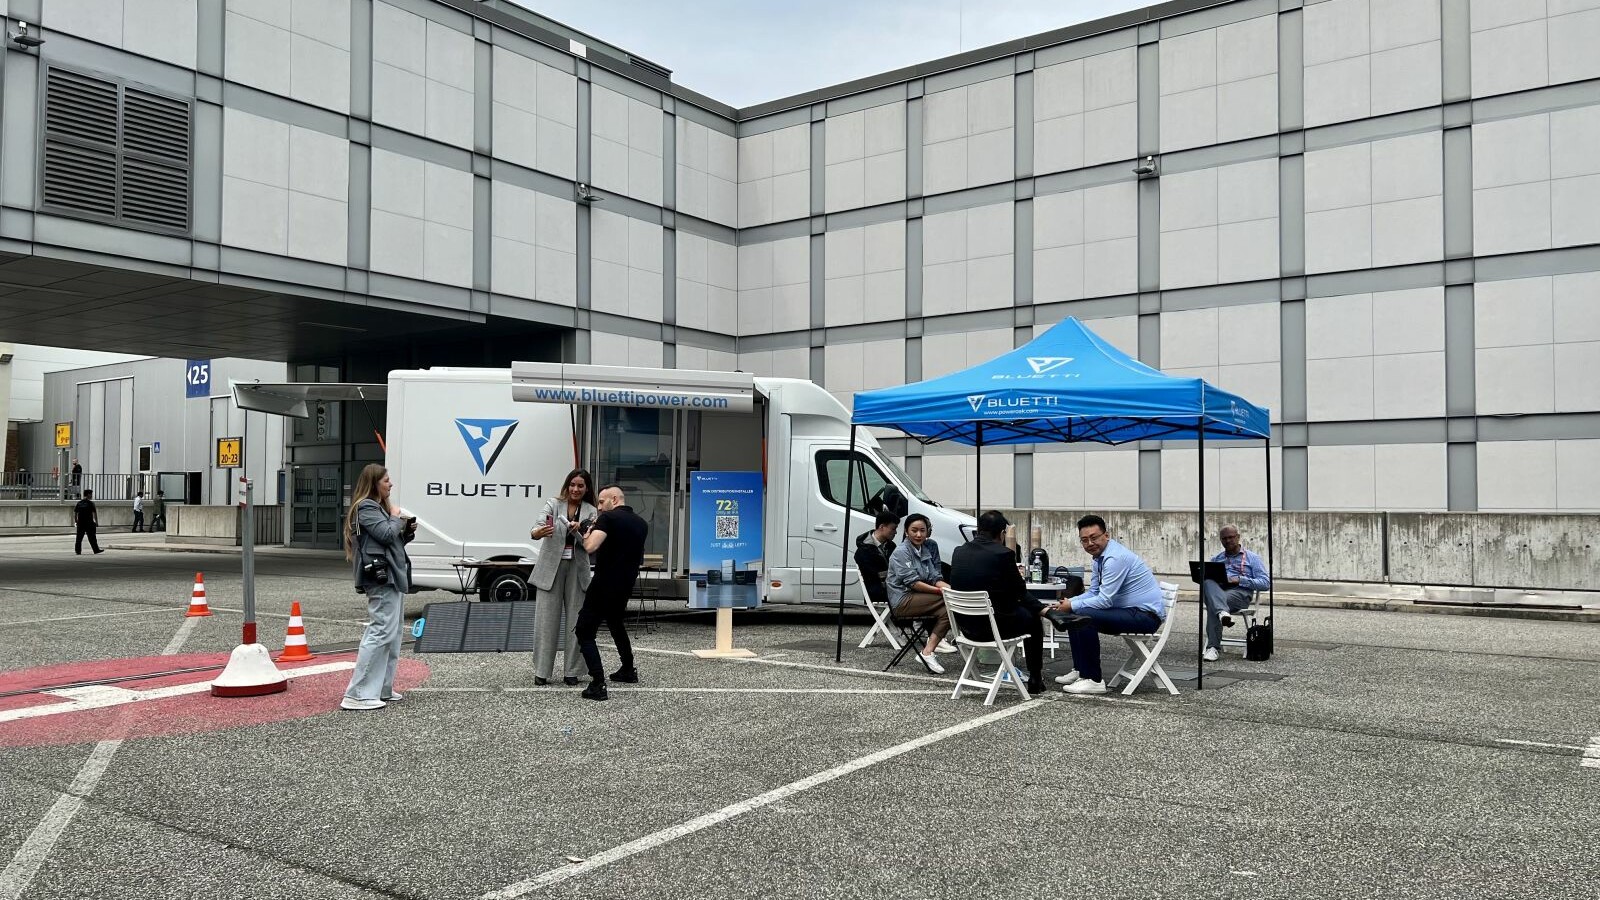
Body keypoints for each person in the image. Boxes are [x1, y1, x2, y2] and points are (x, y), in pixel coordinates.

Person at [1048, 515, 1165, 695]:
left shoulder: (1115, 558)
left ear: (1106, 535)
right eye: (1084, 540)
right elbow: (1094, 592)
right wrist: (1070, 603)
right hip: (1131, 611)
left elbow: (1104, 600)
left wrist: (1073, 605)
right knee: (1075, 612)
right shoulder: (1099, 558)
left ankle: (1093, 679)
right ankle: (1080, 670)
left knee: (1084, 616)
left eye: (1094, 537)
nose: (1090, 543)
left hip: (1146, 617)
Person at [948, 510, 1049, 696]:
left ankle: (1034, 677)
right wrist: (1045, 610)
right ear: (1002, 533)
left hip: (965, 628)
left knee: (1021, 611)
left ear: (979, 530)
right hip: (993, 629)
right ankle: (1035, 677)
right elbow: (1020, 592)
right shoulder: (1003, 554)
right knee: (1033, 619)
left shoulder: (959, 552)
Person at [342, 463, 417, 711]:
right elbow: (385, 535)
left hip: (391, 576)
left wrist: (406, 532)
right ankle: (357, 694)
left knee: (392, 634)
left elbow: (389, 540)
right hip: (381, 578)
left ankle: (381, 688)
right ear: (374, 483)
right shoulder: (366, 507)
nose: (390, 484)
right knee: (381, 631)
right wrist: (395, 518)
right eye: (386, 480)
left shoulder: (376, 508)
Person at [573, 484, 650, 701]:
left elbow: (590, 546)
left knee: (584, 631)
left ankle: (598, 683)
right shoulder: (641, 523)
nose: (598, 507)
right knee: (616, 624)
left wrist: (585, 532)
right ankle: (628, 669)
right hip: (625, 584)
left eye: (601, 501)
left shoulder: (607, 518)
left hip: (603, 584)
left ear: (614, 499)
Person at [529, 468, 599, 687]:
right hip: (551, 567)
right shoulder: (553, 504)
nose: (575, 489)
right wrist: (537, 532)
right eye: (572, 484)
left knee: (576, 622)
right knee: (546, 621)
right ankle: (542, 671)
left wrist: (578, 530)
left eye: (580, 486)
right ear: (567, 485)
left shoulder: (591, 511)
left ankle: (572, 671)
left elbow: (589, 541)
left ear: (587, 489)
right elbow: (537, 527)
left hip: (577, 568)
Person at [885, 513, 954, 674]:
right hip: (902, 600)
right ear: (906, 532)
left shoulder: (924, 549)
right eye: (914, 530)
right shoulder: (901, 551)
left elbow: (934, 577)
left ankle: (927, 652)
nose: (918, 534)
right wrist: (942, 591)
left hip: (918, 597)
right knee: (949, 599)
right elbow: (913, 583)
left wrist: (952, 590)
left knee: (950, 608)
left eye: (922, 530)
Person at [1203, 524, 1270, 661]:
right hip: (1220, 591)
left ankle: (1213, 648)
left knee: (1213, 605)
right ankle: (1222, 613)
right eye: (1224, 538)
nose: (1228, 541)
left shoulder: (1253, 558)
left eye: (1231, 537)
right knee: (1207, 581)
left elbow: (1265, 583)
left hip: (1240, 593)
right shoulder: (1216, 559)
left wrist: (1240, 580)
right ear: (1221, 540)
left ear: (1238, 537)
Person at [854, 511, 899, 606]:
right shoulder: (863, 551)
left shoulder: (891, 546)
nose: (895, 532)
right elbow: (873, 577)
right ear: (882, 527)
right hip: (879, 593)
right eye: (893, 528)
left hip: (892, 589)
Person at [74, 489, 102, 555]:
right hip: (89, 523)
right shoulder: (91, 503)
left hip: (81, 523)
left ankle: (78, 551)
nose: (91, 495)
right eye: (91, 494)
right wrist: (96, 522)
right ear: (88, 494)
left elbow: (75, 513)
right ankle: (96, 550)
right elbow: (94, 513)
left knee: (79, 538)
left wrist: (76, 521)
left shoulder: (79, 503)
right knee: (92, 537)